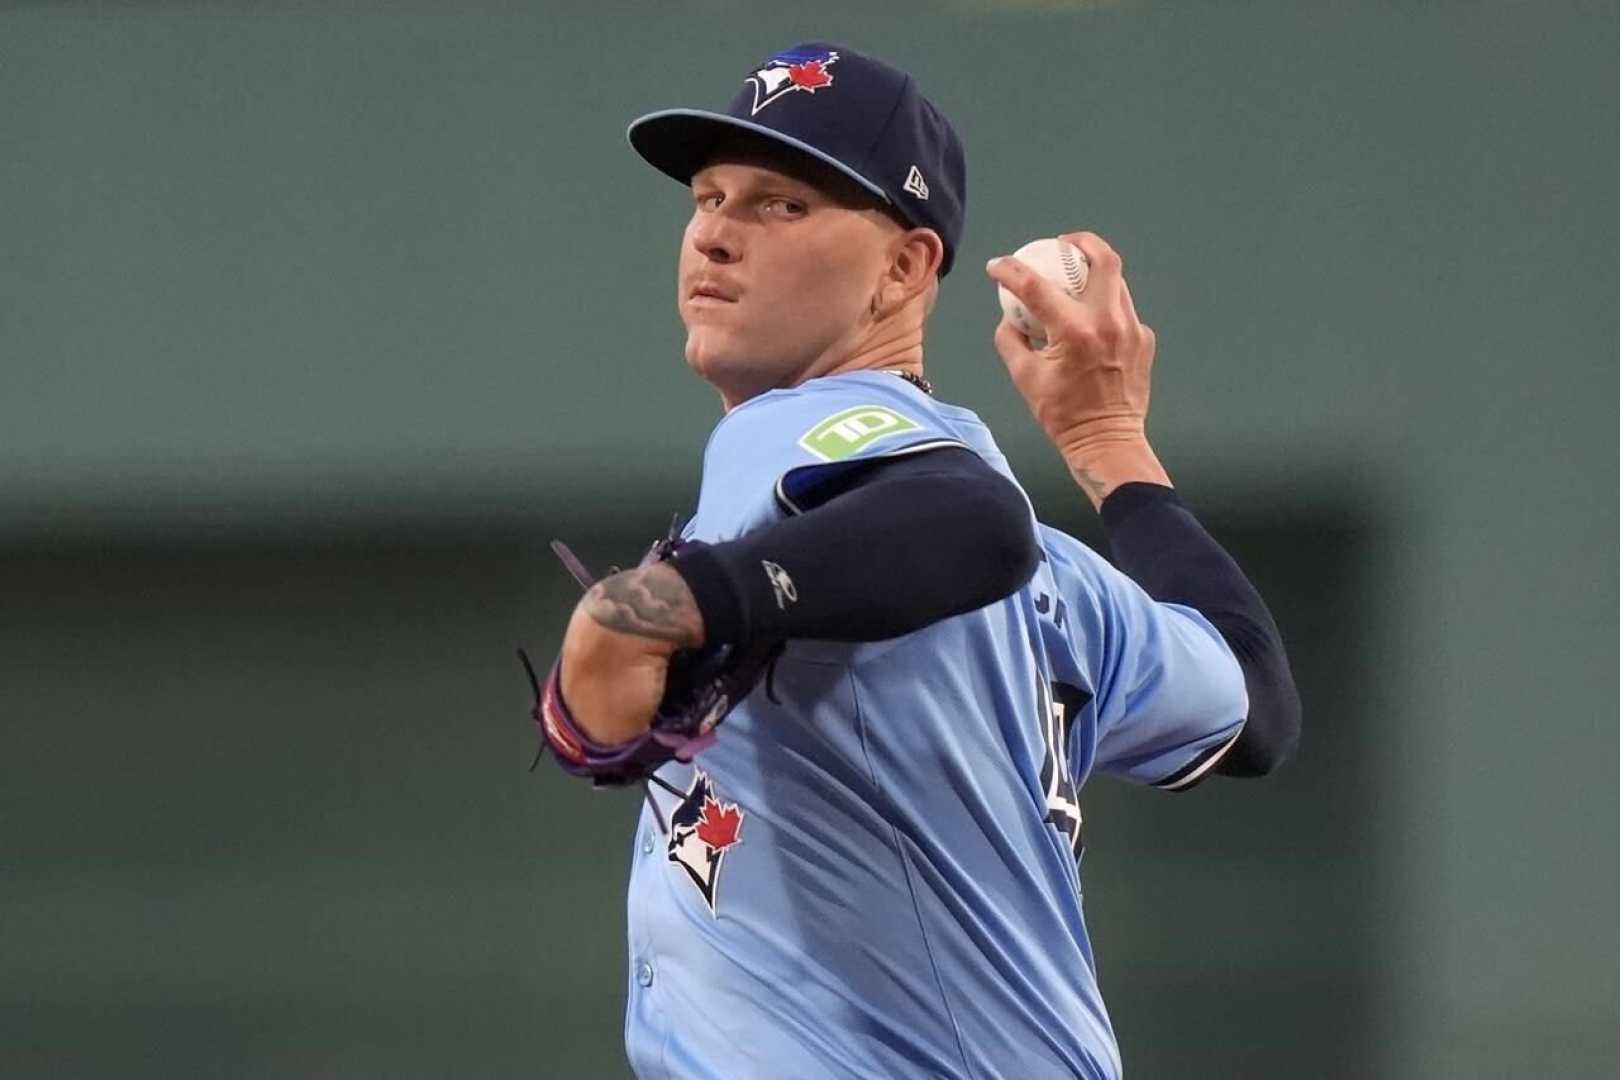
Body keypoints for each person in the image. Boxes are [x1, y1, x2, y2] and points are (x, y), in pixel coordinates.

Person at [548, 42, 1301, 1079]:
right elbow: (1256, 703)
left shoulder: (800, 434)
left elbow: (971, 520)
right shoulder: (1061, 582)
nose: (715, 234)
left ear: (904, 268)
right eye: (709, 196)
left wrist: (689, 597)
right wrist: (1109, 448)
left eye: (781, 206)